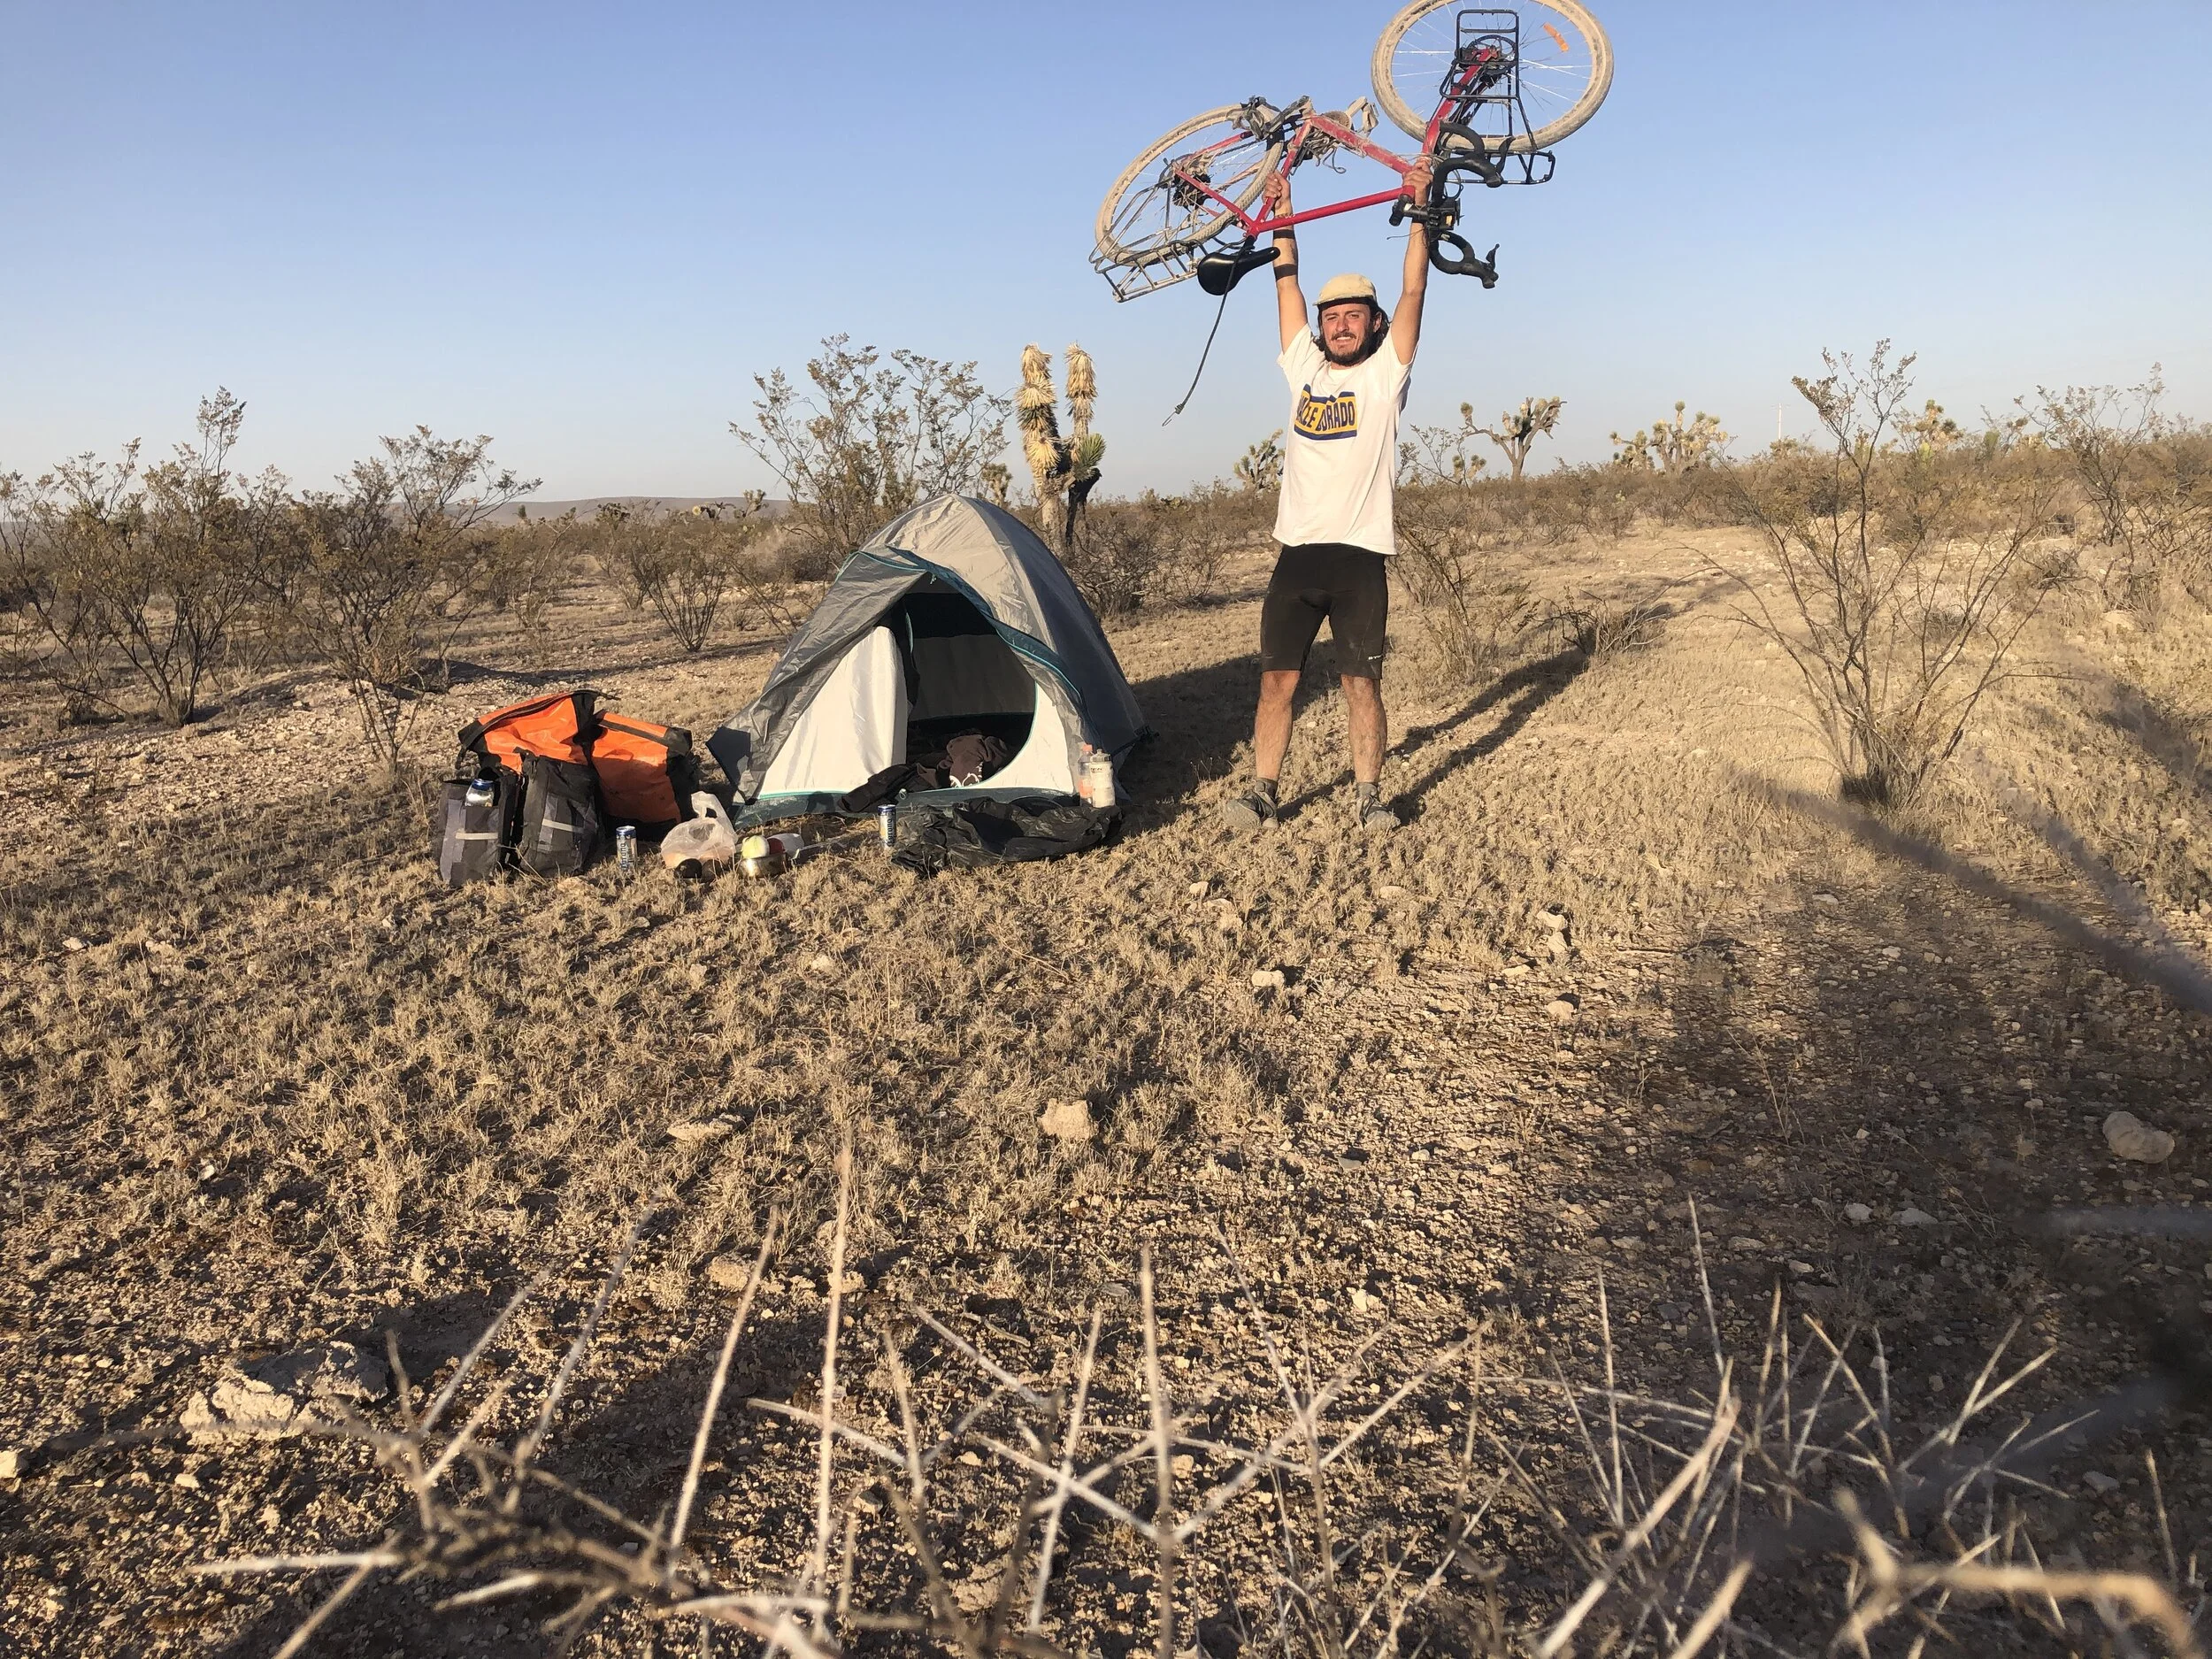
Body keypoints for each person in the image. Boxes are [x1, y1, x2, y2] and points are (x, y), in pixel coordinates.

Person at [1223, 160, 1433, 835]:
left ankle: (1370, 795)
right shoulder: (1304, 368)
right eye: (1333, 317)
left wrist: (1419, 206)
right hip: (1298, 559)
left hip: (1360, 557)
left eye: (1354, 317)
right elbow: (1285, 279)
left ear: (1373, 324)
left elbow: (1414, 287)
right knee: (1277, 682)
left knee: (1360, 685)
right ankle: (1263, 790)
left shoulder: (1384, 377)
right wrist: (1283, 209)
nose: (1342, 326)